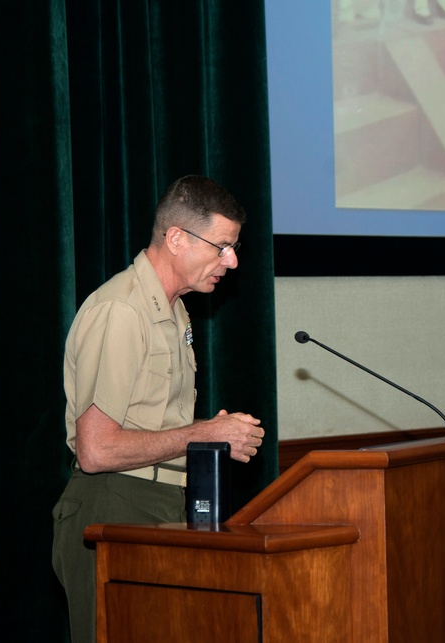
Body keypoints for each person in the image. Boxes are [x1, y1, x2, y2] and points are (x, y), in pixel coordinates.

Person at [51, 175, 267, 643]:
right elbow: (97, 450)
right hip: (113, 503)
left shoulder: (175, 310)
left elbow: (152, 427)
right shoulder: (122, 311)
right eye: (222, 247)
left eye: (234, 248)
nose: (231, 261)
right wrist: (206, 434)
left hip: (161, 504)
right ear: (176, 238)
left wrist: (212, 434)